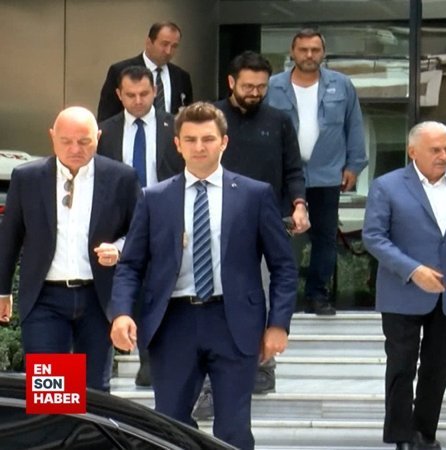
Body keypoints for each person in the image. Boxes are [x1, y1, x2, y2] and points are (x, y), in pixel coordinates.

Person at [109, 102, 297, 450]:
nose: (199, 147)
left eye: (208, 139)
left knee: (234, 428)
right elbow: (131, 264)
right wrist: (121, 313)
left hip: (234, 321)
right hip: (173, 322)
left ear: (224, 142)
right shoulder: (154, 198)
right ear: (177, 144)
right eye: (190, 139)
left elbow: (284, 266)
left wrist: (278, 324)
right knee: (170, 426)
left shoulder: (254, 195)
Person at [363, 121, 446, 450]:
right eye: (435, 150)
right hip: (402, 291)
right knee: (401, 365)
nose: (444, 155)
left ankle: (424, 432)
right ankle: (400, 435)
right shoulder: (387, 186)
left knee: (437, 368)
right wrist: (413, 270)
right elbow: (374, 237)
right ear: (413, 152)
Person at [190, 50, 308, 420]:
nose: (255, 92)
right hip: (212, 223)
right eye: (247, 86)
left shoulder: (279, 120)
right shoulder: (209, 118)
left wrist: (299, 204)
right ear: (231, 82)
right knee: (216, 301)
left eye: (261, 86)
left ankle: (263, 365)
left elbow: (293, 169)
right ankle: (209, 385)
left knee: (263, 294)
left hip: (267, 221)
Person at [0, 106, 140, 392]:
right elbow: (10, 236)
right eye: (66, 141)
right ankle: (57, 423)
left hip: (97, 296)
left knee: (94, 391)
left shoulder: (121, 178)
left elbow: (139, 233)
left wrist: (119, 249)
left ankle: (90, 424)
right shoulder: (28, 178)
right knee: (53, 391)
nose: (75, 149)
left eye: (84, 141)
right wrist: (3, 290)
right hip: (45, 297)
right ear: (52, 137)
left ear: (97, 137)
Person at [267, 28, 368, 316]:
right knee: (282, 237)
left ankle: (317, 295)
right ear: (292, 52)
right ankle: (282, 296)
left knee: (324, 239)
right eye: (303, 50)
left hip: (327, 174)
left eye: (315, 50)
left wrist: (354, 165)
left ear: (323, 53)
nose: (309, 55)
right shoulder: (273, 86)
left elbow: (354, 125)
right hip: (284, 176)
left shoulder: (341, 85)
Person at [97, 64, 184, 388]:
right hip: (117, 221)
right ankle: (116, 352)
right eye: (130, 95)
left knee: (156, 286)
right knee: (122, 282)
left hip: (163, 216)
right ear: (118, 95)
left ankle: (150, 359)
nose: (137, 101)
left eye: (144, 94)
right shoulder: (104, 132)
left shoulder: (175, 128)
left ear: (155, 92)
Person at [98, 21, 193, 122]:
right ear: (149, 42)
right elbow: (106, 116)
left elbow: (188, 116)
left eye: (174, 46)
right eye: (164, 44)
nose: (168, 51)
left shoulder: (181, 76)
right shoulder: (120, 71)